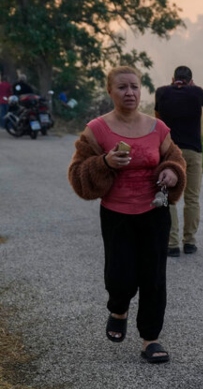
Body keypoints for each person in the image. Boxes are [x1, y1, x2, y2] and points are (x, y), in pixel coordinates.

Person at [68, 66, 187, 364]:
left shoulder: (157, 128)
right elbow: (77, 174)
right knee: (120, 276)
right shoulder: (96, 129)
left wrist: (172, 172)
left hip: (155, 212)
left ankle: (150, 339)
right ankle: (118, 309)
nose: (130, 93)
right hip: (116, 214)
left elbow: (175, 159)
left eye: (134, 86)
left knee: (153, 277)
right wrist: (105, 163)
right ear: (110, 91)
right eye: (122, 87)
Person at [154, 65, 203, 257]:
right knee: (192, 198)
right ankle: (190, 242)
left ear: (172, 78)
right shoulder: (196, 92)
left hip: (169, 152)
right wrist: (195, 91)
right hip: (193, 152)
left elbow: (158, 119)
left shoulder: (162, 92)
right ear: (191, 80)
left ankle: (172, 244)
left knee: (168, 196)